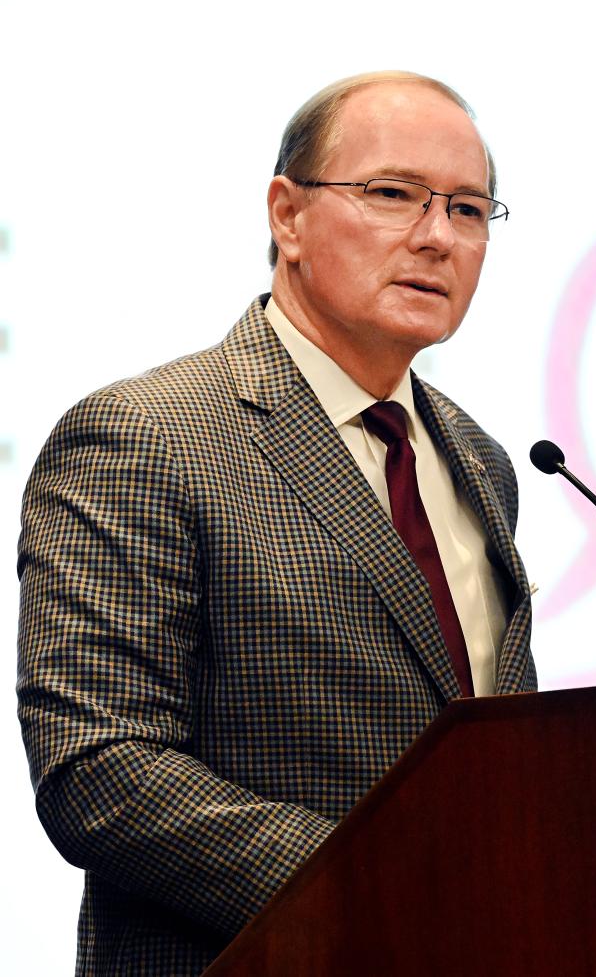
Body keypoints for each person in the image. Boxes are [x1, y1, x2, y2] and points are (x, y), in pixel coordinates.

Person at [16, 71, 535, 975]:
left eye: (468, 209)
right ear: (287, 216)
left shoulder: (480, 460)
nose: (436, 236)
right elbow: (97, 767)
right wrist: (388, 881)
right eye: (392, 194)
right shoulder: (147, 436)